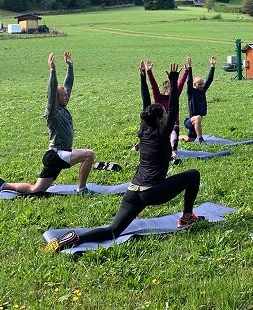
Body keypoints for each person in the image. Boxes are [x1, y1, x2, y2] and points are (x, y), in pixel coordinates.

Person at [45, 62, 204, 252]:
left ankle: (76, 239)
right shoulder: (163, 132)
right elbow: (174, 107)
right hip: (152, 191)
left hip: (132, 191)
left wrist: (143, 78)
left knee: (112, 231)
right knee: (193, 175)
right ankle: (186, 217)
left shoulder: (144, 129)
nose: (167, 113)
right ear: (161, 120)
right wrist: (173, 80)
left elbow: (146, 103)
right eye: (164, 113)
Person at [0, 52, 96, 196]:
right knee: (89, 154)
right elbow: (52, 90)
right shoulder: (52, 112)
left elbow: (68, 86)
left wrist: (70, 67)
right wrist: (52, 71)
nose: (67, 96)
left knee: (35, 190)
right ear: (55, 98)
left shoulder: (63, 108)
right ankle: (82, 189)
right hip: (56, 154)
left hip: (57, 156)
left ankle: (1, 185)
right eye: (63, 95)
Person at [142, 59, 189, 162]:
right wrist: (149, 72)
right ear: (164, 89)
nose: (170, 90)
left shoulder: (174, 96)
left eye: (172, 88)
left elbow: (180, 84)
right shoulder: (159, 98)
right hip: (161, 128)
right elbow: (154, 86)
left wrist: (186, 71)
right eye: (168, 88)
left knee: (175, 128)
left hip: (173, 128)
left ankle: (174, 152)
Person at [182, 56, 216, 143]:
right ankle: (201, 139)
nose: (201, 86)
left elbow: (210, 79)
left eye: (202, 84)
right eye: (199, 84)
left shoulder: (203, 90)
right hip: (190, 121)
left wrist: (212, 66)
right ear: (194, 84)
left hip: (197, 122)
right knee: (197, 118)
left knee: (190, 139)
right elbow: (189, 80)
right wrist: (190, 67)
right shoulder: (191, 92)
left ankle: (180, 137)